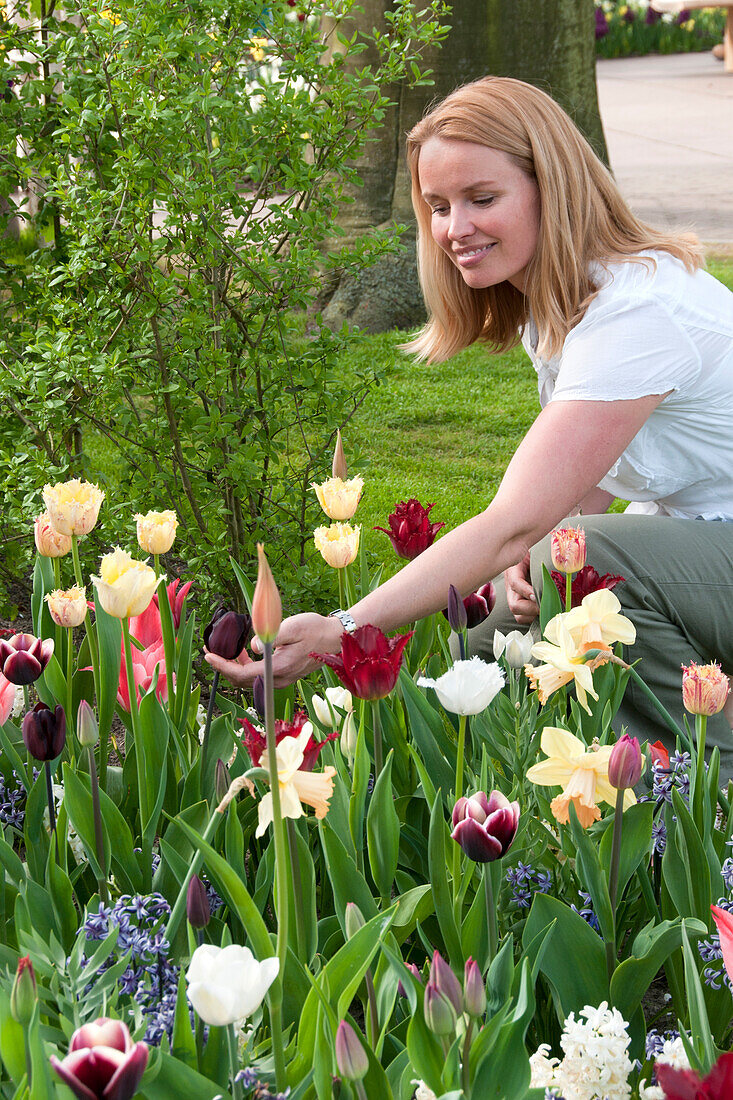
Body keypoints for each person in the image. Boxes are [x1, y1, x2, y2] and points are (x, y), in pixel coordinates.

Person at [206, 76, 733, 766]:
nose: (454, 229)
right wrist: (538, 555)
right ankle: (337, 783)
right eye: (437, 206)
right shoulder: (559, 303)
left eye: (481, 199)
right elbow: (581, 483)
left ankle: (709, 787)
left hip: (708, 545)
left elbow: (514, 521)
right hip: (702, 540)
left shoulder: (636, 312)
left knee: (587, 565)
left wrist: (344, 628)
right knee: (469, 663)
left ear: (553, 186)